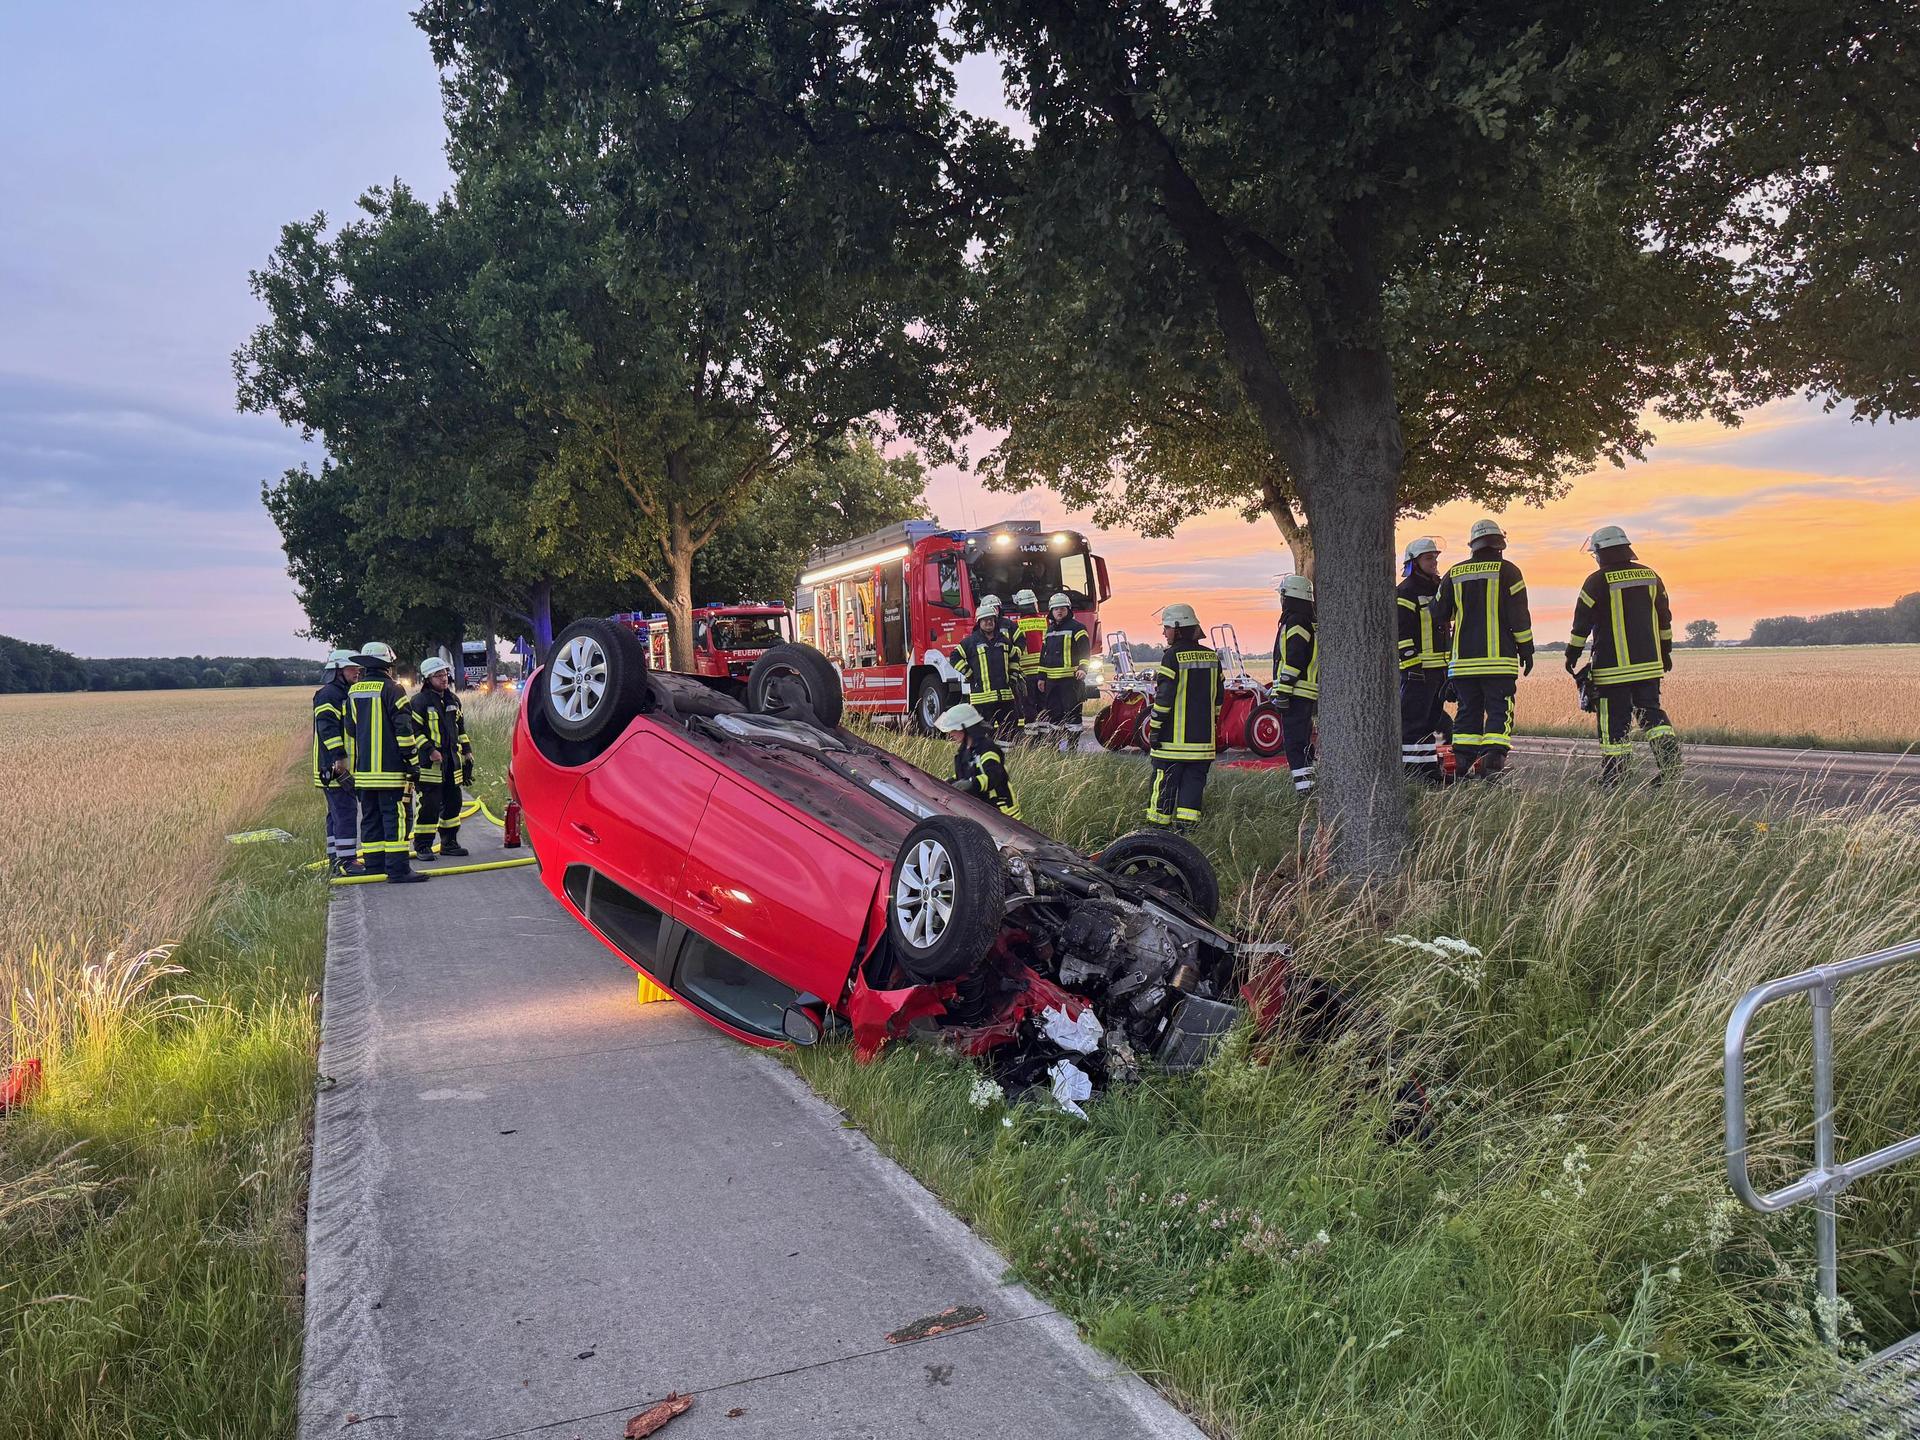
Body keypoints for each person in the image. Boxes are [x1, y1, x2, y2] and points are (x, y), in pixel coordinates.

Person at [1565, 525, 1682, 785]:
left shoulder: (1595, 581)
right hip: (1649, 666)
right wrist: (1665, 652)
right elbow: (1664, 620)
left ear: (1601, 552)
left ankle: (1615, 778)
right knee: (1651, 714)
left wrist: (1572, 654)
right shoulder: (1651, 576)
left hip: (1611, 669)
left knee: (1613, 723)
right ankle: (1670, 764)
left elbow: (1581, 622)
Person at [1429, 518, 1534, 779]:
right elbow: (1519, 617)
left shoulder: (1455, 573)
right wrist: (1527, 650)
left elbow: (1437, 612)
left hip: (1463, 664)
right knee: (1499, 712)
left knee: (1467, 715)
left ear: (1473, 545)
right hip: (1499, 662)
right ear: (1499, 544)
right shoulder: (1510, 572)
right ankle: (1492, 768)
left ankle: (1463, 768)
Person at [346, 641, 427, 883]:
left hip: (364, 774)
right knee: (396, 819)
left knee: (370, 819)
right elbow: (404, 730)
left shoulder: (354, 691)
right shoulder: (394, 689)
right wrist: (412, 762)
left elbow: (351, 729)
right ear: (387, 664)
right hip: (391, 772)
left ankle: (374, 866)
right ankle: (398, 869)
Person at [1145, 602, 1223, 830]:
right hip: (1202, 746)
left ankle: (1156, 835)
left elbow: (1164, 698)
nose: (1163, 632)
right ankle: (1188, 834)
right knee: (1192, 792)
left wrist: (1155, 728)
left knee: (1163, 790)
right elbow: (1219, 698)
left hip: (1171, 743)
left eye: (1167, 627)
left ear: (1178, 628)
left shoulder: (1172, 657)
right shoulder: (1212, 657)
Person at [1396, 538, 1452, 783]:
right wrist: (1412, 665)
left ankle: (1429, 772)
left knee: (1429, 723)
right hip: (1417, 671)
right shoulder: (1405, 591)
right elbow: (1400, 632)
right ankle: (1410, 775)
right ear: (1414, 562)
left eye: (1435, 558)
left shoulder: (1438, 589)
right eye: (1429, 558)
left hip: (1438, 669)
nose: (1434, 562)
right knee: (1411, 725)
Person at [408, 656, 475, 859]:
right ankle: (423, 846)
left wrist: (467, 751)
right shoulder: (419, 702)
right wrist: (429, 750)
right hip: (430, 764)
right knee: (429, 805)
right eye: (438, 675)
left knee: (453, 802)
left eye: (445, 673)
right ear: (428, 678)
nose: (443, 678)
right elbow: (414, 730)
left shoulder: (453, 700)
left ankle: (449, 842)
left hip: (451, 762)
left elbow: (460, 729)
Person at [312, 649, 362, 876]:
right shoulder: (329, 694)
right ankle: (348, 861)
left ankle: (335, 858)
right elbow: (327, 728)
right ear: (338, 670)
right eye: (352, 668)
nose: (357, 671)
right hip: (334, 766)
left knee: (335, 813)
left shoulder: (343, 693)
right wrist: (339, 758)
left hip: (333, 765)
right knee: (345, 811)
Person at [1270, 575, 1319, 796]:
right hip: (1303, 693)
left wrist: (1284, 690)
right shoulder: (1306, 620)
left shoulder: (1296, 621)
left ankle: (1304, 792)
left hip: (1296, 693)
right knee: (1303, 742)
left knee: (1294, 745)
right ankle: (1310, 784)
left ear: (1288, 597)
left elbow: (1296, 657)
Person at [949, 595, 1026, 737]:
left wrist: (1013, 676)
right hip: (982, 700)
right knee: (984, 737)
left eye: (991, 619)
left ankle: (1006, 758)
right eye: (985, 620)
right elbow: (954, 657)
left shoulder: (1004, 641)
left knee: (1008, 734)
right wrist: (969, 673)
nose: (989, 622)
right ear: (979, 622)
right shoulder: (971, 642)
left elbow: (1014, 657)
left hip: (1005, 697)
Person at [934, 702, 1022, 818]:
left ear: (966, 728)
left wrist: (971, 783)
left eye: (953, 729)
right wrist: (948, 782)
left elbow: (995, 776)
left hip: (1003, 814)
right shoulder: (964, 751)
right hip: (984, 812)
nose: (950, 734)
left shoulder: (987, 748)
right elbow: (964, 775)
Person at [1037, 591, 1092, 746]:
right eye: (1055, 609)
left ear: (1068, 609)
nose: (1059, 611)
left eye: (1062, 608)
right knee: (1054, 715)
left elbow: (1084, 651)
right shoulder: (1049, 631)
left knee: (1073, 714)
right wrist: (1041, 677)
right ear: (1051, 612)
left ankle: (1072, 747)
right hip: (1052, 682)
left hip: (1071, 680)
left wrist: (1083, 668)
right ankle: (1055, 746)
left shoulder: (1078, 628)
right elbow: (1044, 656)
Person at [1008, 588, 1048, 727]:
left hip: (1025, 674)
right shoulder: (1046, 622)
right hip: (1044, 673)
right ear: (1035, 604)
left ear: (1019, 606)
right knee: (1044, 706)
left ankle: (1031, 739)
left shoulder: (1016, 625)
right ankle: (1046, 737)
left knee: (1029, 706)